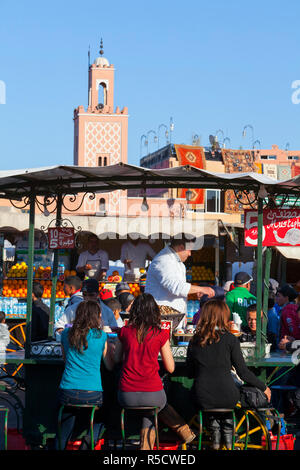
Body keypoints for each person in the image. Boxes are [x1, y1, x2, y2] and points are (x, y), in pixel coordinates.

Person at [186, 299, 271, 450]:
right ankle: (228, 439)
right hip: (228, 396)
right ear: (223, 316)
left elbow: (190, 373)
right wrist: (263, 387)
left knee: (208, 408)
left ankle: (215, 437)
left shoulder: (194, 341)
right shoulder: (230, 339)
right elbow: (243, 372)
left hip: (202, 396)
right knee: (226, 407)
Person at [114, 293, 195, 450]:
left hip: (126, 395)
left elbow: (117, 358)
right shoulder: (160, 334)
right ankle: (184, 431)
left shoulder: (124, 331)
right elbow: (171, 368)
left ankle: (150, 446)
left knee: (150, 409)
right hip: (152, 393)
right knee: (155, 407)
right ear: (154, 312)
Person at [55, 300, 114, 450]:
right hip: (92, 394)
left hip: (67, 391)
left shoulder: (66, 333)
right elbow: (109, 365)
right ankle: (86, 446)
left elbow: (65, 359)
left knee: (65, 425)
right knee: (103, 418)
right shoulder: (101, 336)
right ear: (97, 316)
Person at [145, 236, 215, 329]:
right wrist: (201, 288)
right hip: (161, 320)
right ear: (181, 248)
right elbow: (176, 287)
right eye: (189, 250)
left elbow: (180, 287)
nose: (190, 254)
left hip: (173, 319)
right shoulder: (164, 260)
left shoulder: (178, 263)